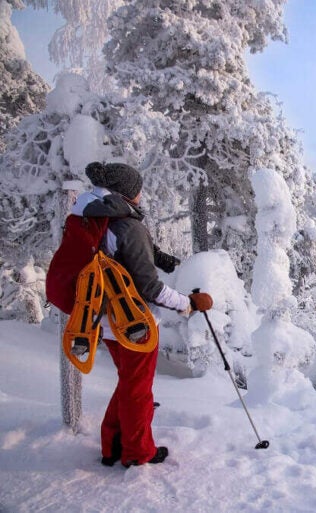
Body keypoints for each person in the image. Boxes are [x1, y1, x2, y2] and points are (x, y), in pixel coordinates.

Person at [73, 161, 213, 468]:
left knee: (128, 383)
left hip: (102, 319)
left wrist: (161, 258)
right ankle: (138, 453)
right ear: (126, 193)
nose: (140, 195)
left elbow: (121, 254)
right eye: (137, 190)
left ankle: (111, 445)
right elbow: (149, 287)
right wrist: (187, 302)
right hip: (134, 324)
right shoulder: (127, 225)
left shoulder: (90, 215)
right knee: (137, 391)